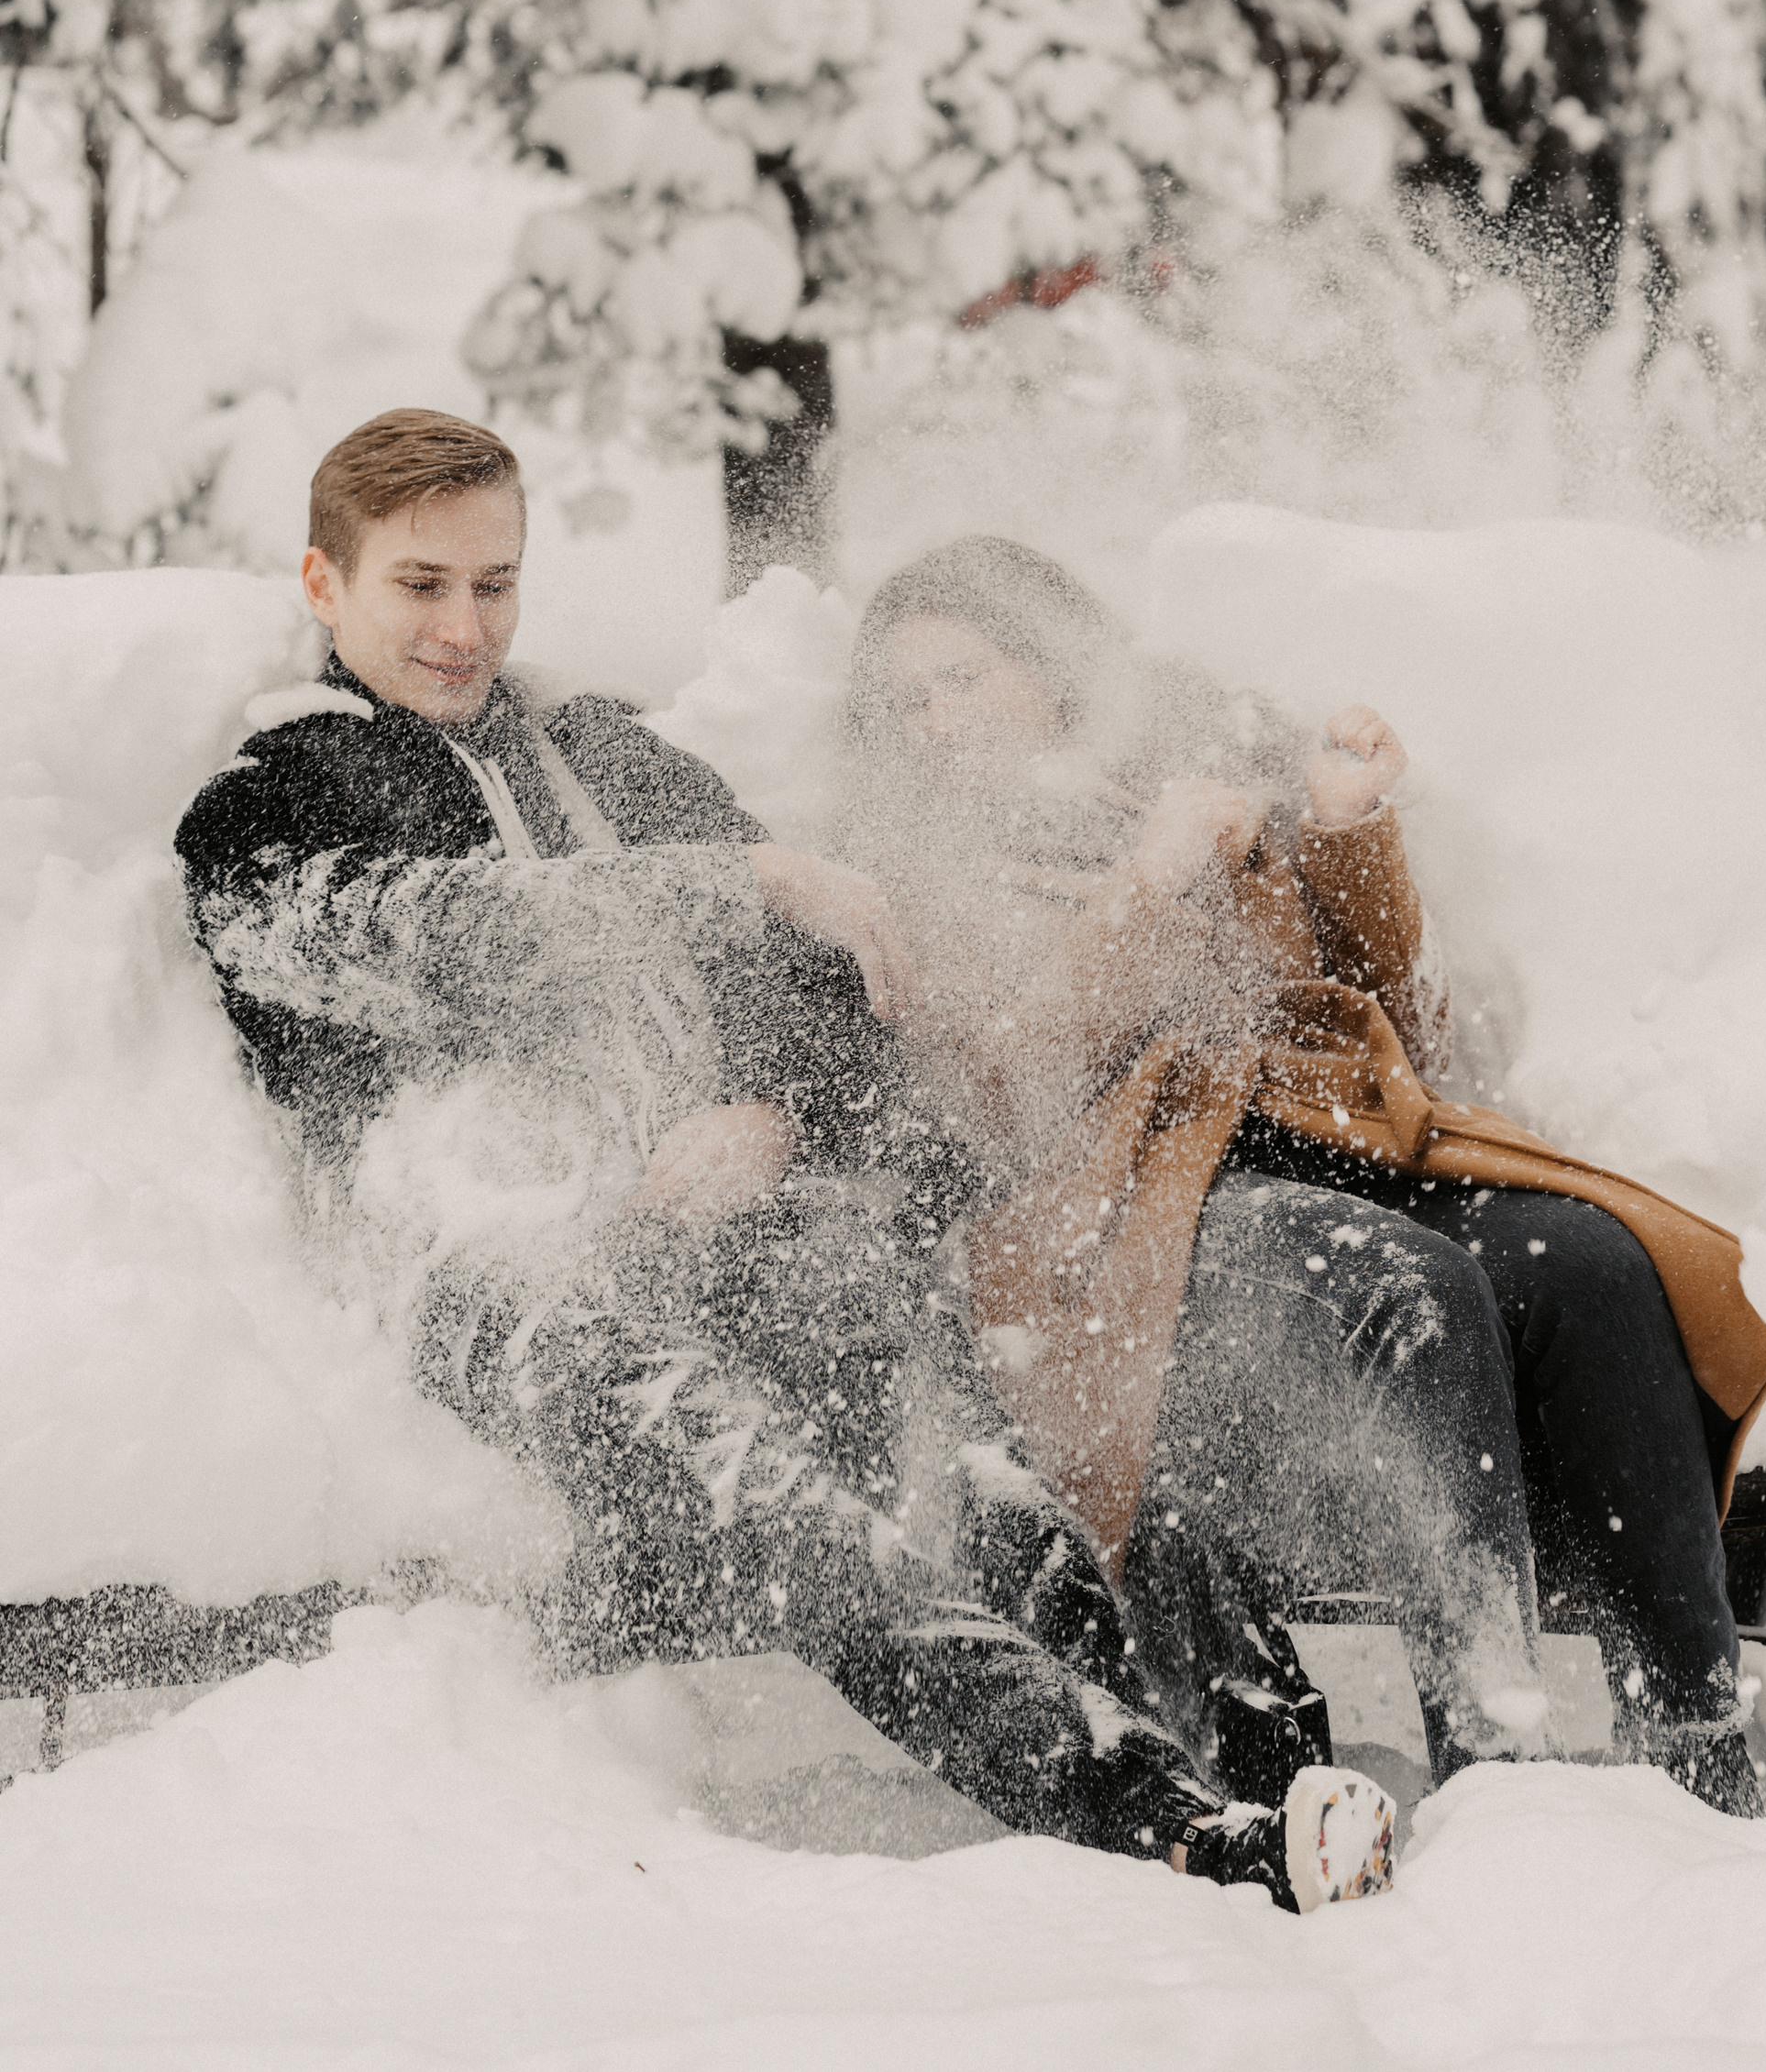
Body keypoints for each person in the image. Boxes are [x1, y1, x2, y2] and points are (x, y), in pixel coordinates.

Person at [174, 413, 1394, 1912]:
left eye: (493, 584)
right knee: (759, 1489)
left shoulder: (601, 753)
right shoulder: (263, 809)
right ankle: (1165, 1824)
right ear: (323, 580)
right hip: (494, 1256)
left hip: (723, 1216)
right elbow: (440, 938)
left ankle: (1259, 1759)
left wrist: (768, 1109)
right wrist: (729, 880)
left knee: (944, 1389)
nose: (461, 626)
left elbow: (837, 977)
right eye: (419, 585)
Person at [833, 535, 1766, 1813]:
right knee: (1410, 1287)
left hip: (1322, 1144)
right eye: (909, 699)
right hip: (1118, 1217)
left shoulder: (1172, 791)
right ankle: (1495, 1745)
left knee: (1588, 1263)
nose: (939, 719)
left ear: (1055, 664)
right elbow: (1014, 1091)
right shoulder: (906, 878)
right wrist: (1148, 885)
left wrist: (1348, 835)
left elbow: (1400, 1023)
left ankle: (1693, 1730)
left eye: (967, 676)